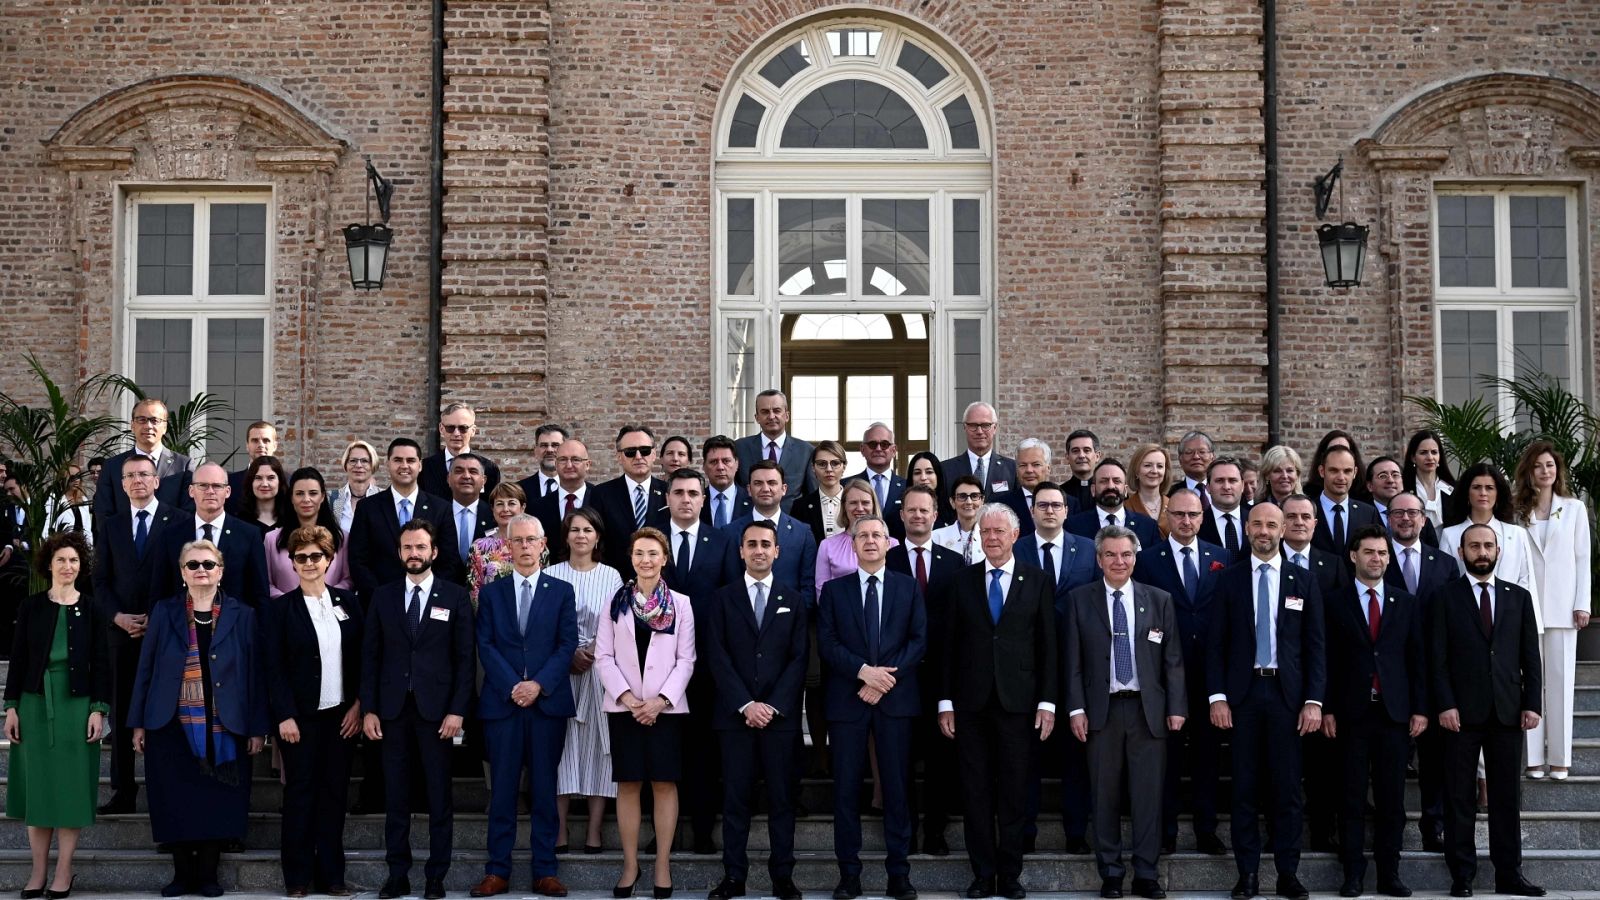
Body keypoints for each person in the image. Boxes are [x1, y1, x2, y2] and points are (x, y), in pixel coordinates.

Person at [129, 539, 269, 898]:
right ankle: (181, 875)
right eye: (193, 565)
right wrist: (139, 722)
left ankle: (208, 875)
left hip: (227, 722)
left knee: (217, 799)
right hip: (171, 721)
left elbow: (255, 674)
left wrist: (257, 727)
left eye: (208, 563)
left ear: (220, 571)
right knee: (174, 798)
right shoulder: (164, 611)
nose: (201, 570)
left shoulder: (243, 614)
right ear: (182, 572)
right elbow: (146, 667)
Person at [1205, 502, 1325, 900]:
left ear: (1284, 528)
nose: (1264, 530)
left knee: (1288, 789)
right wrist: (1217, 697)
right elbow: (1215, 644)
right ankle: (1249, 875)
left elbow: (1315, 647)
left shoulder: (1302, 580)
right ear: (1247, 527)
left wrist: (1313, 700)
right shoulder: (1230, 579)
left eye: (1272, 524)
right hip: (1242, 697)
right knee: (1244, 788)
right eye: (1256, 523)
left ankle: (1288, 874)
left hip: (1287, 697)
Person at [939, 503, 1057, 900]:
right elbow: (948, 647)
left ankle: (1009, 875)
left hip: (1019, 705)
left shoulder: (1038, 580)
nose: (991, 537)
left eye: (999, 532)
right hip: (970, 706)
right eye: (985, 532)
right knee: (975, 793)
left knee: (1013, 792)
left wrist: (1047, 702)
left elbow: (1048, 646)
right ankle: (981, 875)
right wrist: (945, 702)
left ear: (1014, 535)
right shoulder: (961, 581)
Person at [1064, 525, 1185, 900]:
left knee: (1148, 796)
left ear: (1136, 558)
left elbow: (1173, 660)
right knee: (1104, 796)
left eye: (1127, 555)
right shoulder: (1079, 600)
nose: (1120, 561)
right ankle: (1112, 873)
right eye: (1111, 555)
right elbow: (1073, 663)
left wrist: (1177, 707)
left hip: (1147, 712)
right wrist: (1075, 709)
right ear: (1099, 560)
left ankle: (1146, 874)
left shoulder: (1159, 599)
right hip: (1101, 712)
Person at [360, 520, 476, 900]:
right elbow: (370, 657)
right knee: (396, 798)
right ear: (399, 553)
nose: (414, 553)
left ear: (434, 552)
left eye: (420, 547)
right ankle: (398, 874)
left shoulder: (455, 596)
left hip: (438, 714)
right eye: (407, 547)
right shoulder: (383, 595)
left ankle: (436, 876)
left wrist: (458, 710)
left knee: (440, 798)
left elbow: (464, 660)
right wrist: (370, 709)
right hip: (392, 712)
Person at [1432, 523, 1545, 898]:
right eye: (1474, 546)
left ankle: (1509, 874)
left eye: (1488, 546)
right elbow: (1438, 659)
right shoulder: (1445, 597)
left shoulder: (1520, 597)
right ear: (1461, 552)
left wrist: (1532, 704)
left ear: (1499, 551)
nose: (1482, 552)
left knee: (1506, 798)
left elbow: (1531, 655)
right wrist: (1445, 704)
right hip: (1460, 715)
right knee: (1460, 798)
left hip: (1508, 713)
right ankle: (1461, 875)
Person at [818, 515, 925, 900]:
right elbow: (827, 644)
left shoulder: (908, 588)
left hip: (894, 701)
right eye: (862, 535)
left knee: (897, 788)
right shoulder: (834, 590)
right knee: (846, 790)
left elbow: (918, 640)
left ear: (888, 543)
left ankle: (899, 872)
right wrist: (864, 673)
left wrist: (883, 680)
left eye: (877, 535)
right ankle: (849, 874)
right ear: (853, 543)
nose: (870, 541)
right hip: (848, 702)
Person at [471, 515, 579, 899]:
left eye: (532, 540)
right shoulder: (492, 592)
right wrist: (514, 685)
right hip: (503, 704)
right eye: (518, 540)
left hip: (546, 704)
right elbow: (485, 645)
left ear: (543, 543)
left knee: (545, 790)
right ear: (508, 546)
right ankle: (497, 870)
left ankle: (544, 870)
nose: (525, 546)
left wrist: (537, 685)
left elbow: (567, 645)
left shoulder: (562, 591)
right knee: (502, 790)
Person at [702, 520, 809, 900]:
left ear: (777, 551)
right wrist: (746, 704)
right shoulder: (722, 598)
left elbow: (799, 659)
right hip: (735, 717)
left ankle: (783, 876)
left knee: (782, 800)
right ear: (741, 551)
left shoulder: (793, 600)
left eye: (766, 544)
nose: (759, 550)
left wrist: (772, 705)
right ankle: (734, 877)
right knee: (735, 800)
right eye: (752, 544)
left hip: (779, 720)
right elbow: (716, 655)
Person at [1323, 524, 1427, 898]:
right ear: (1354, 556)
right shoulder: (1333, 601)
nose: (1377, 559)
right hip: (1350, 715)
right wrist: (1328, 708)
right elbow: (1327, 660)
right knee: (1350, 798)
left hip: (1394, 715)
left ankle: (1390, 874)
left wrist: (1420, 709)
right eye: (1369, 552)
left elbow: (1416, 659)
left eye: (1382, 553)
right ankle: (1352, 874)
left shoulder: (1405, 602)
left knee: (1391, 800)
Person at [4, 532, 110, 900]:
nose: (68, 566)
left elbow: (103, 665)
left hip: (76, 707)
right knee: (39, 790)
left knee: (70, 790)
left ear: (81, 568)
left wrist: (99, 709)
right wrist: (11, 706)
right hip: (34, 704)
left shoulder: (93, 608)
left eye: (75, 561)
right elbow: (17, 660)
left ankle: (64, 870)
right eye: (62, 560)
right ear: (48, 564)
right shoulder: (31, 606)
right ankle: (37, 872)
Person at [261, 525, 365, 898]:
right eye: (300, 557)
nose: (308, 563)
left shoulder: (348, 603)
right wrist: (284, 715)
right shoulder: (280, 609)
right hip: (299, 720)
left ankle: (333, 876)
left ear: (329, 559)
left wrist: (357, 705)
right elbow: (272, 667)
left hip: (341, 718)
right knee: (300, 795)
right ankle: (298, 878)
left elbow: (361, 660)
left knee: (334, 795)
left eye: (315, 556)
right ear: (291, 562)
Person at [595, 528, 696, 900]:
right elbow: (603, 657)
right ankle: (630, 864)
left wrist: (659, 702)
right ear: (631, 557)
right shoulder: (614, 602)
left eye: (653, 553)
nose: (646, 560)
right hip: (625, 708)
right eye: (639, 553)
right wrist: (627, 697)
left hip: (666, 710)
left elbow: (687, 660)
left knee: (665, 784)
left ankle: (663, 864)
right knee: (629, 784)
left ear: (664, 558)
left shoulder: (682, 605)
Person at [1132, 487, 1228, 856]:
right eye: (1179, 514)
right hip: (1162, 675)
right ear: (1167, 516)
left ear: (1203, 517)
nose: (1186, 521)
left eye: (1193, 515)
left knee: (1207, 757)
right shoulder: (1148, 560)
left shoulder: (1221, 557)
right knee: (1166, 758)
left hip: (1209, 676)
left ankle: (1207, 829)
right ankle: (1165, 831)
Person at [92, 453, 179, 816]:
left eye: (145, 474)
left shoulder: (178, 521)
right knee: (124, 713)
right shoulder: (110, 526)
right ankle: (122, 790)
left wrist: (156, 620)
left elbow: (182, 578)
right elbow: (99, 581)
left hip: (165, 634)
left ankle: (165, 793)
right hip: (122, 633)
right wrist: (117, 617)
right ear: (122, 483)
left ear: (157, 480)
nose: (138, 480)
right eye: (130, 476)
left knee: (163, 716)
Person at [662, 468, 740, 854]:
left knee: (704, 752)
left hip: (708, 664)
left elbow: (728, 602)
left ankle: (702, 831)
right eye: (678, 492)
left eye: (694, 493)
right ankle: (663, 833)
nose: (686, 499)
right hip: (659, 665)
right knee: (664, 750)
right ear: (668, 497)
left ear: (704, 499)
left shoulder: (723, 541)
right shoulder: (652, 540)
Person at [885, 485, 964, 857]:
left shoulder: (954, 562)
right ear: (901, 516)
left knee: (939, 760)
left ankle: (935, 831)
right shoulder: (887, 560)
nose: (918, 516)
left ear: (936, 515)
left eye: (925, 511)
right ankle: (903, 832)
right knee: (899, 760)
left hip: (941, 676)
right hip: (898, 676)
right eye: (911, 510)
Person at [1381, 491, 1457, 853]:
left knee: (1434, 756)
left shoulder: (1444, 564)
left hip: (1434, 669)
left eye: (1413, 513)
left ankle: (1434, 824)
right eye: (1398, 513)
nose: (1406, 519)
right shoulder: (1375, 560)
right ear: (1389, 519)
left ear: (1424, 520)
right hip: (1390, 671)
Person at [1512, 440, 1591, 780]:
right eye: (1538, 466)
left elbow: (1582, 558)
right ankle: (1532, 760)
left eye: (1550, 465)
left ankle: (1560, 759)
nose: (1545, 471)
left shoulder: (1573, 509)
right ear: (1528, 471)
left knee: (1560, 685)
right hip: (1527, 608)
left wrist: (1582, 603)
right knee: (1529, 683)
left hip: (1562, 608)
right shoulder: (1517, 511)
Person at [546, 508, 623, 856]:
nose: (580, 535)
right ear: (565, 536)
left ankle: (594, 831)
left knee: (598, 751)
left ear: (597, 536)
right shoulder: (550, 574)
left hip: (600, 672)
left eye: (587, 529)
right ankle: (559, 830)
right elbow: (542, 624)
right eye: (574, 529)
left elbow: (619, 622)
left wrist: (591, 650)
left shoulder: (612, 575)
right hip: (559, 673)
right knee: (561, 751)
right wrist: (568, 655)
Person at [347, 438, 465, 598]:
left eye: (410, 460)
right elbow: (357, 560)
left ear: (420, 465)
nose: (404, 466)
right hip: (380, 602)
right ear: (388, 464)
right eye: (398, 460)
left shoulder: (441, 508)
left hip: (427, 602)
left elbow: (449, 560)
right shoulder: (367, 507)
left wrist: (430, 595)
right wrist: (379, 596)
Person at [146, 463, 271, 610]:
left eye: (217, 486)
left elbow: (260, 593)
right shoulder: (171, 535)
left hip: (235, 627)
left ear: (228, 491)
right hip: (182, 626)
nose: (210, 491)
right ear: (191, 491)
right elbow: (159, 591)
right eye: (203, 485)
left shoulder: (249, 535)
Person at [1439, 463, 1541, 619]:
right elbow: (1445, 582)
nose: (1483, 493)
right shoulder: (1450, 535)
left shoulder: (1517, 534)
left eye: (1489, 488)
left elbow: (1526, 580)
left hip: (1510, 619)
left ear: (1498, 493)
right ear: (1467, 492)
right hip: (1463, 618)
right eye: (1476, 487)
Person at [724, 460, 818, 608]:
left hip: (789, 622)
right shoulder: (729, 532)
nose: (765, 488)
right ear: (749, 489)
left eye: (772, 483)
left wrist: (796, 619)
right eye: (758, 483)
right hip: (741, 621)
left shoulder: (803, 533)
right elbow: (727, 582)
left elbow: (808, 584)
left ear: (784, 489)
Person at [92, 398, 193, 528]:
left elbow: (188, 514)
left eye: (155, 420)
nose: (148, 426)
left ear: (165, 427)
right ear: (132, 425)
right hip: (125, 545)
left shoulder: (183, 466)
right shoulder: (113, 466)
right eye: (142, 420)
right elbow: (103, 514)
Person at [590, 426, 669, 578]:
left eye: (645, 450)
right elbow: (597, 543)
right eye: (630, 452)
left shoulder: (669, 492)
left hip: (662, 581)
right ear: (619, 457)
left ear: (654, 454)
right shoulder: (601, 494)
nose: (638, 456)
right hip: (615, 581)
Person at [264, 468, 352, 595]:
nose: (306, 499)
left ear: (322, 497)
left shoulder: (341, 538)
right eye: (299, 493)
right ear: (291, 498)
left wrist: (326, 599)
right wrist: (291, 603)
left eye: (313, 493)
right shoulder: (272, 539)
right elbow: (266, 583)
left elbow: (348, 580)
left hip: (330, 609)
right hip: (286, 611)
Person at [733, 390, 816, 506]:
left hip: (790, 521)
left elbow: (812, 495)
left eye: (777, 411)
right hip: (750, 521)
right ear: (757, 418)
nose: (771, 416)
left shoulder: (806, 451)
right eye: (765, 412)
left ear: (787, 416)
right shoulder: (739, 448)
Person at [1065, 459, 1161, 549]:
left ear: (1125, 490)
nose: (1110, 486)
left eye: (1117, 481)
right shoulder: (1073, 526)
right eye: (1104, 481)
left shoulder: (1148, 527)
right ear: (1093, 490)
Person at [530, 439, 597, 561]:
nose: (569, 465)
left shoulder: (601, 499)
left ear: (587, 464)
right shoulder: (537, 507)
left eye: (576, 459)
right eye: (563, 460)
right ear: (556, 464)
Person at [419, 402, 503, 498]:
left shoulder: (489, 469)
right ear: (441, 429)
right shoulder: (424, 468)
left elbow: (491, 508)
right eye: (450, 428)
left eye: (463, 428)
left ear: (473, 431)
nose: (456, 433)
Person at [1312, 446, 1380, 557]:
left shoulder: (1368, 513)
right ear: (1321, 471)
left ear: (1355, 472)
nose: (1341, 477)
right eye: (1334, 470)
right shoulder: (1307, 511)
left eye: (1347, 471)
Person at [993, 438, 1070, 537]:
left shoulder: (1070, 502)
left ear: (1048, 468)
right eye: (1023, 465)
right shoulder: (1002, 506)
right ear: (1017, 470)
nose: (1029, 470)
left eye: (1036, 465)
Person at [468, 481, 528, 607]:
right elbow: (474, 592)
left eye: (511, 503)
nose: (505, 509)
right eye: (500, 504)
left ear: (522, 508)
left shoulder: (535, 544)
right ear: (492, 509)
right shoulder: (478, 547)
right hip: (490, 617)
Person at [941, 401, 1016, 497]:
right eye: (973, 425)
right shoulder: (946, 469)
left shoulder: (1012, 469)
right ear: (964, 427)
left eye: (985, 425)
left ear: (995, 428)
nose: (979, 431)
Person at [847, 423, 905, 537]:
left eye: (884, 444)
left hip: (898, 551)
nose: (878, 449)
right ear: (862, 449)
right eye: (872, 444)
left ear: (893, 450)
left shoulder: (908, 487)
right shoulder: (847, 486)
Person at [792, 441, 850, 545]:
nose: (829, 469)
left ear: (844, 467)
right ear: (813, 468)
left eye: (835, 463)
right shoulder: (800, 506)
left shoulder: (855, 502)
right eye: (822, 464)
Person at [449, 453, 499, 571]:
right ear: (448, 479)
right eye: (459, 471)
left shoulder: (495, 516)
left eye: (473, 471)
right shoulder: (437, 513)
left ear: (483, 480)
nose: (466, 476)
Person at [1403, 430, 1455, 533]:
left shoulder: (1453, 488)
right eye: (1423, 452)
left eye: (1434, 452)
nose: (1430, 457)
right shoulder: (1404, 488)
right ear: (1413, 458)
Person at [1197, 457, 1251, 558]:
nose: (1226, 487)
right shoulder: (1197, 523)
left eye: (1232, 480)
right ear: (1207, 487)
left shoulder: (1255, 520)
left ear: (1243, 485)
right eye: (1219, 481)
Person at [329, 440, 382, 535]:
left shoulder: (385, 498)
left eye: (364, 461)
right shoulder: (330, 498)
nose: (358, 465)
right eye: (353, 461)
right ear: (346, 465)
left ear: (373, 465)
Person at [230, 454, 291, 532]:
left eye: (271, 478)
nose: (264, 484)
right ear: (251, 482)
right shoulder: (239, 522)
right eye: (258, 478)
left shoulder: (291, 520)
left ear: (280, 481)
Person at [931, 475, 985, 564]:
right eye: (962, 496)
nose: (969, 502)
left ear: (982, 501)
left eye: (974, 496)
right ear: (952, 502)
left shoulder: (990, 537)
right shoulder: (936, 537)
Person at [701, 436, 752, 529]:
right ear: (704, 467)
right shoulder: (696, 501)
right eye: (713, 462)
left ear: (737, 464)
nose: (720, 467)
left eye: (726, 461)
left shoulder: (752, 502)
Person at [1303, 429, 1366, 503]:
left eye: (1344, 449)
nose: (1339, 453)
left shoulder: (1365, 496)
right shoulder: (1309, 497)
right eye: (1333, 449)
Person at [1124, 443, 1173, 536]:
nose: (1154, 471)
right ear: (1136, 471)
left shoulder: (1174, 505)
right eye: (1147, 465)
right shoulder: (1126, 508)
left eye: (1160, 466)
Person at [225, 421, 280, 501]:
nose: (261, 445)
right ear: (247, 446)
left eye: (266, 440)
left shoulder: (289, 481)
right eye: (255, 440)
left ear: (275, 446)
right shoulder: (231, 482)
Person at [518, 424, 571, 503]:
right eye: (544, 445)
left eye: (555, 445)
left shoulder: (584, 490)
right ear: (535, 451)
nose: (549, 450)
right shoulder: (519, 489)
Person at [906, 451, 955, 528]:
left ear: (938, 476)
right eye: (917, 473)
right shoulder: (900, 513)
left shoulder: (952, 511)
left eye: (929, 472)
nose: (923, 477)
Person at [1062, 430, 1103, 511]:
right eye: (1075, 451)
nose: (1081, 455)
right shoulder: (1059, 493)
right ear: (1067, 457)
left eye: (1087, 450)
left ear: (1097, 456)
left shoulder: (1106, 493)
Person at [1176, 431, 1215, 501]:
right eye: (1189, 452)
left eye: (1202, 452)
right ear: (1180, 459)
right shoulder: (1170, 495)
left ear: (1212, 457)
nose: (1196, 457)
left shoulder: (1224, 491)